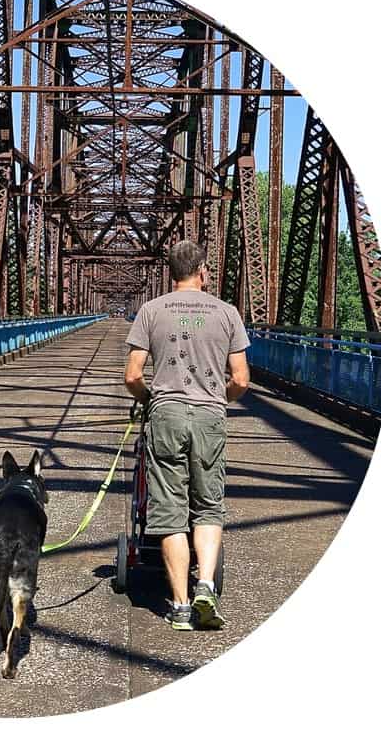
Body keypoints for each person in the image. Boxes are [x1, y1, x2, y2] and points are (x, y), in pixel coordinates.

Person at [123, 240, 250, 630]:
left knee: (169, 510)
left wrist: (149, 400)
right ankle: (206, 585)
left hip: (166, 416)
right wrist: (219, 399)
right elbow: (242, 381)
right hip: (210, 415)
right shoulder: (227, 313)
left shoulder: (151, 310)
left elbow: (132, 375)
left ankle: (178, 607)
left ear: (171, 273)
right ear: (203, 271)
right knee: (209, 505)